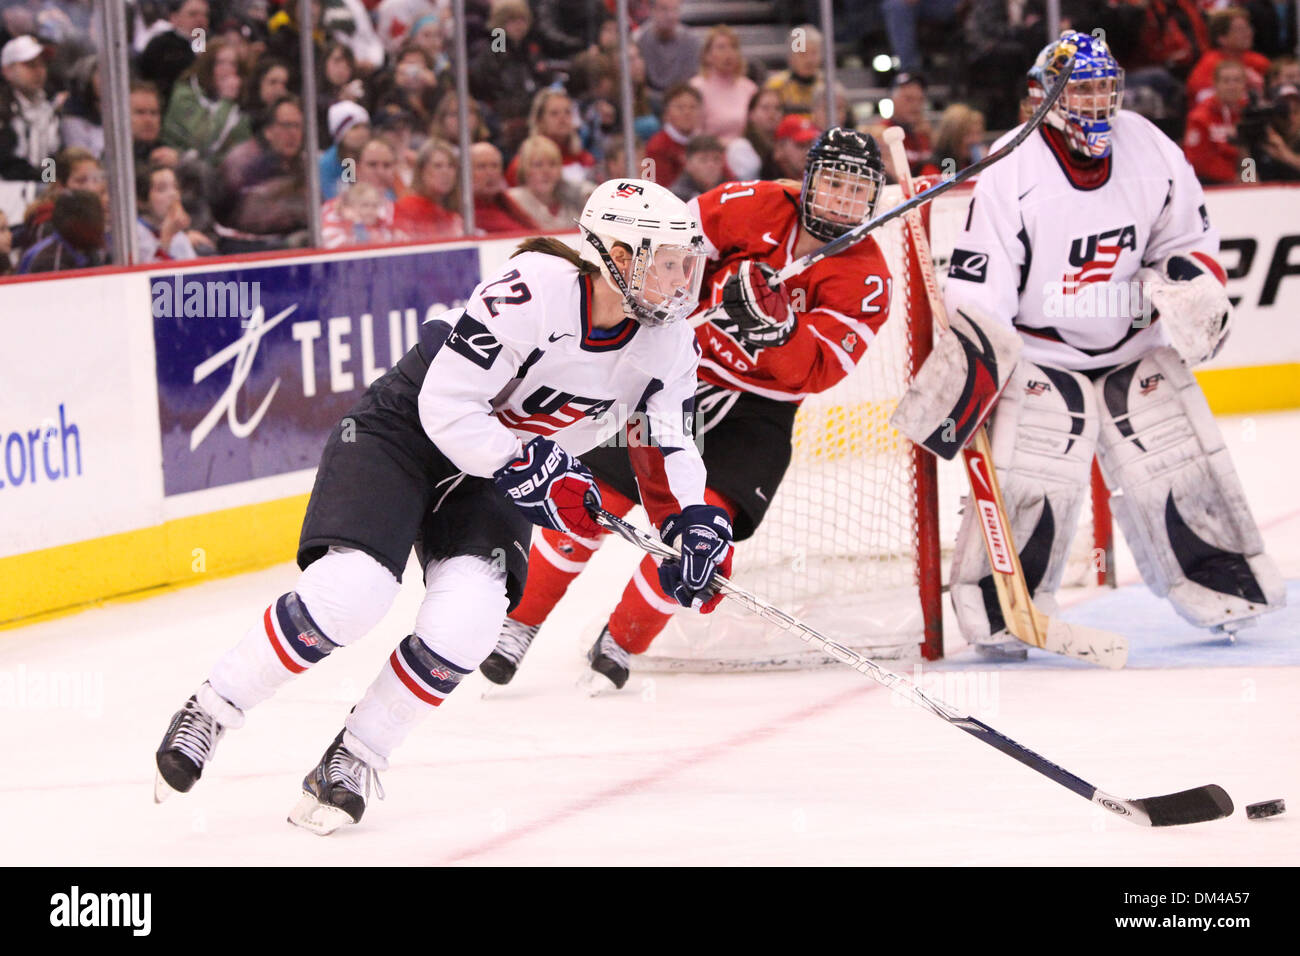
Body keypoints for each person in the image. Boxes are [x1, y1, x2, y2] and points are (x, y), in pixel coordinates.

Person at [153, 179, 725, 834]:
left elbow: (667, 440)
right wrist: (529, 467)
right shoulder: (537, 287)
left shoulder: (667, 342)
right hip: (408, 437)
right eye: (674, 260)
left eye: (689, 260)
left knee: (468, 624)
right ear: (620, 257)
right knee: (353, 592)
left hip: (500, 474)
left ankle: (356, 755)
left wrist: (693, 523)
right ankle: (213, 707)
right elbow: (448, 406)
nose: (687, 279)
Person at [892, 32, 1284, 661]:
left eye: (1105, 88)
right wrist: (978, 364)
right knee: (1031, 485)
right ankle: (998, 613)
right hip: (1045, 355)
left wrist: (1188, 286)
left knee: (1182, 470)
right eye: (1082, 90)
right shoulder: (1011, 166)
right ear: (1043, 97)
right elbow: (982, 282)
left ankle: (1225, 586)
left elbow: (1184, 236)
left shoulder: (1149, 145)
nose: (1098, 103)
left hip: (1135, 345)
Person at [480, 128, 894, 690]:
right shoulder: (748, 205)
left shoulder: (867, 277)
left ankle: (622, 639)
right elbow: (668, 259)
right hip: (683, 377)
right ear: (808, 179)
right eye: (833, 182)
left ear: (874, 199)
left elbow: (816, 370)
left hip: (759, 410)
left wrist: (777, 331)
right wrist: (704, 296)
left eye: (857, 189)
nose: (843, 199)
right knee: (596, 499)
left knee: (704, 527)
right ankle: (519, 623)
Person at [210, 94, 309, 252]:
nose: (293, 133)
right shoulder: (241, 162)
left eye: (298, 126)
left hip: (293, 245)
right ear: (269, 131)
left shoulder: (307, 164)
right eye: (286, 125)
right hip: (247, 248)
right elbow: (221, 215)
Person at [0, 35, 60, 224]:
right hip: (6, 198)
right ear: (7, 70)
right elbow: (7, 163)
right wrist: (41, 179)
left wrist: (48, 180)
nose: (38, 71)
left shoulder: (48, 109)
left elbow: (51, 154)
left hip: (37, 192)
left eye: (41, 65)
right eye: (30, 65)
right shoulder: (4, 109)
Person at [162, 39, 252, 164]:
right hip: (181, 161)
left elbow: (242, 143)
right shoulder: (185, 96)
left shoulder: (237, 101)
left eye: (233, 64)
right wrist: (226, 102)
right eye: (220, 63)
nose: (227, 70)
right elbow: (203, 141)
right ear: (207, 67)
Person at [504, 89, 596, 188]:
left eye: (567, 112)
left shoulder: (585, 159)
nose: (562, 118)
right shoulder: (523, 163)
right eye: (554, 113)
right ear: (540, 120)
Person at [1186, 7, 1272, 106]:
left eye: (1248, 28)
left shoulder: (1258, 61)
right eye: (1240, 30)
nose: (1249, 33)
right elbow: (1205, 101)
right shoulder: (1208, 67)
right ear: (1221, 38)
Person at [689, 25, 757, 145]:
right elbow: (694, 134)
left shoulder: (749, 88)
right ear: (707, 55)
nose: (728, 53)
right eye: (721, 47)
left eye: (733, 47)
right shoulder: (696, 88)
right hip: (711, 153)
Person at [1184, 60, 1248, 184]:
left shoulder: (1248, 112)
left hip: (1243, 179)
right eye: (1226, 81)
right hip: (1212, 184)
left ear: (1244, 84)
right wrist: (1233, 178)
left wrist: (1248, 179)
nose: (1232, 86)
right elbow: (1197, 161)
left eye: (1237, 80)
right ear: (1215, 84)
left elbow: (1248, 154)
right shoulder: (1200, 117)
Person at [506, 134, 586, 231]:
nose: (546, 171)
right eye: (538, 165)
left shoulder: (573, 201)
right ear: (524, 169)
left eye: (552, 164)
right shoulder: (511, 201)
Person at [394, 137, 463, 239]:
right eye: (438, 166)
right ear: (422, 171)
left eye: (451, 166)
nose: (446, 172)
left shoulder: (455, 216)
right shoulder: (406, 208)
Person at [635, 0, 702, 96]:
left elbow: (691, 83)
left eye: (675, 9)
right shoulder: (639, 40)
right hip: (648, 102)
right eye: (664, 9)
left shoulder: (692, 42)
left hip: (681, 100)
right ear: (652, 11)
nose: (670, 16)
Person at [644, 83, 702, 190]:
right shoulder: (657, 146)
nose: (687, 112)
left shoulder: (706, 143)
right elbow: (658, 188)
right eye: (680, 107)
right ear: (666, 112)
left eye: (693, 107)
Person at [469, 140, 536, 234]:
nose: (490, 173)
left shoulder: (508, 202)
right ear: (466, 173)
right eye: (481, 167)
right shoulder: (466, 213)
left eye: (494, 166)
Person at [136, 162, 197, 261]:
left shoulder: (178, 235)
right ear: (141, 201)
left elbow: (181, 275)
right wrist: (166, 238)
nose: (173, 194)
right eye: (162, 189)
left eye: (176, 187)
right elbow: (152, 274)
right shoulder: (135, 234)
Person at [763, 24, 822, 117]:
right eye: (803, 54)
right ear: (791, 57)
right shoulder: (775, 87)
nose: (809, 60)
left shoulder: (827, 87)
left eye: (814, 53)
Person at [725, 87, 782, 181]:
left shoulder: (782, 146)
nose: (772, 113)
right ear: (751, 114)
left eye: (777, 108)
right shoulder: (740, 147)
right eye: (765, 108)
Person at [669, 134, 726, 201]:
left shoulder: (728, 191)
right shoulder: (676, 197)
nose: (711, 165)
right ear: (688, 163)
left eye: (716, 159)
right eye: (703, 160)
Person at [770, 113, 819, 180]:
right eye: (801, 145)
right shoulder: (767, 181)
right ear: (780, 147)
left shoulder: (812, 178)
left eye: (810, 145)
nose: (808, 152)